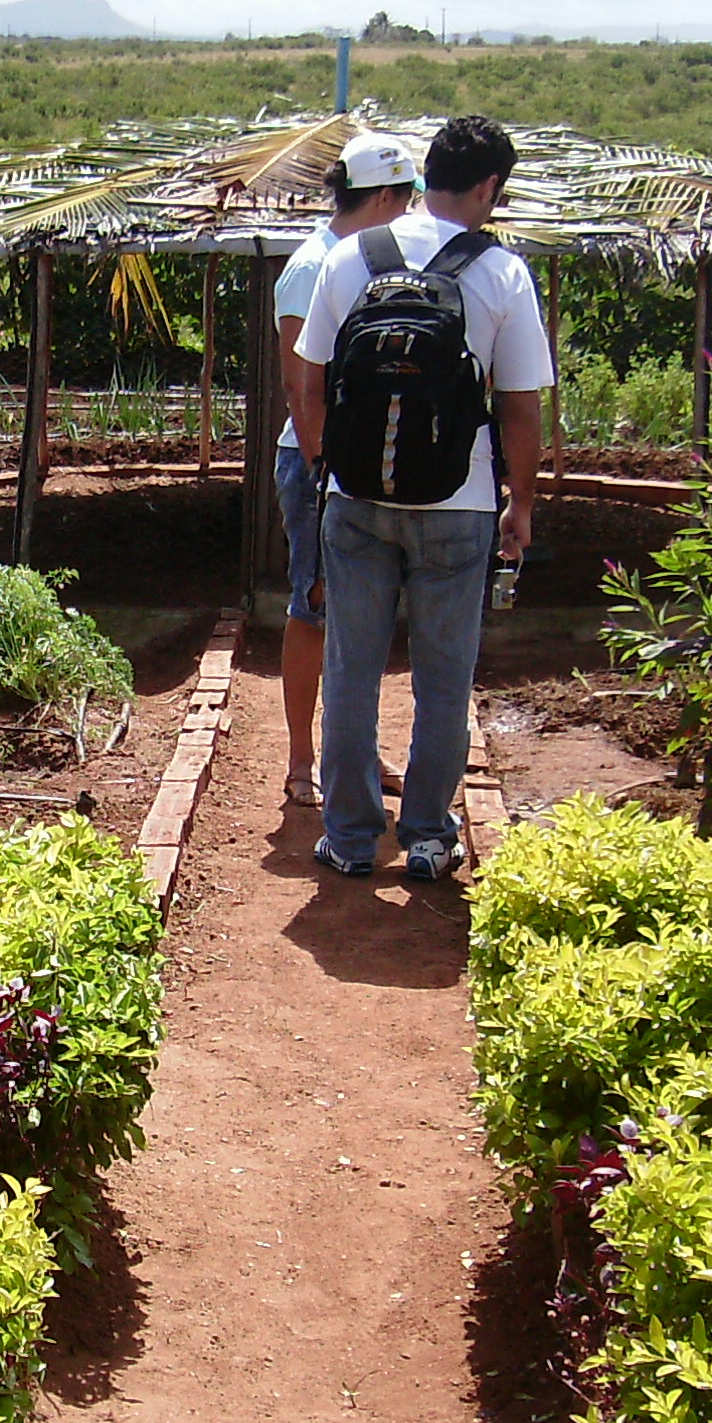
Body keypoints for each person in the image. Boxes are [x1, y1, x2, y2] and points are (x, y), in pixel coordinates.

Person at [291, 114, 548, 880]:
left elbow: (308, 380)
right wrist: (521, 503)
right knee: (443, 678)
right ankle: (430, 837)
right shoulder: (502, 273)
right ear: (491, 188)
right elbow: (522, 405)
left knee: (352, 667)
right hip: (459, 503)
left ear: (425, 174)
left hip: (357, 498)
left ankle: (348, 836)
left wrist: (323, 468)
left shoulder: (350, 258)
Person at [272, 131, 419, 807]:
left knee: (365, 611)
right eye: (407, 199)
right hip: (319, 465)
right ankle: (302, 762)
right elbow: (302, 390)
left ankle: (357, 755)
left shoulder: (364, 259)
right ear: (385, 196)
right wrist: (324, 469)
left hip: (362, 464)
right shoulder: (314, 266)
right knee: (314, 605)